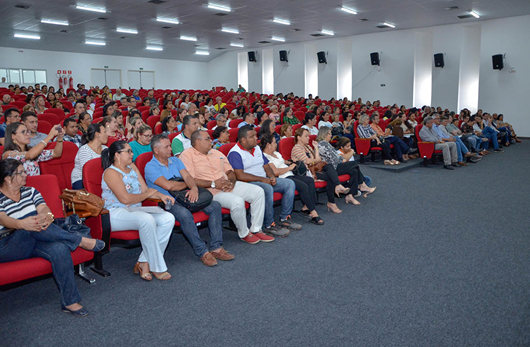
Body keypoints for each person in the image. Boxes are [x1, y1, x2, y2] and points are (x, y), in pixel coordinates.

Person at [0, 158, 105, 317]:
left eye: (24, 171)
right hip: (9, 244)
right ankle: (79, 240)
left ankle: (70, 301)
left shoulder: (31, 191)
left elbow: (44, 209)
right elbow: (4, 220)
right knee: (29, 226)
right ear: (7, 178)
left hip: (36, 237)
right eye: (20, 173)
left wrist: (46, 216)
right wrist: (22, 224)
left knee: (59, 248)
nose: (25, 175)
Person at [145, 135, 234, 266]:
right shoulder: (150, 166)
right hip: (166, 200)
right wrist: (188, 185)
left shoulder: (175, 161)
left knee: (215, 205)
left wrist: (193, 188)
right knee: (184, 214)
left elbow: (188, 176)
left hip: (185, 195)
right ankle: (202, 251)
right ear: (156, 150)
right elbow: (168, 186)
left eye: (170, 145)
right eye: (166, 147)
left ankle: (216, 248)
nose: (170, 149)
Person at [101, 141, 175, 280]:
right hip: (115, 213)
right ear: (117, 155)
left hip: (135, 210)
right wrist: (147, 195)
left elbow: (145, 190)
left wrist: (161, 196)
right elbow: (125, 199)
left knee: (168, 218)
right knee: (146, 219)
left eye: (131, 151)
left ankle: (143, 261)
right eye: (128, 151)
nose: (132, 154)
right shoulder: (110, 172)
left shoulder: (132, 167)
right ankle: (157, 267)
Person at [180, 131, 268, 245]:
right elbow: (190, 179)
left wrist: (231, 182)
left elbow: (230, 171)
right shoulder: (186, 155)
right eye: (208, 139)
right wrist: (213, 184)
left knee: (258, 191)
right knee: (237, 202)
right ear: (198, 141)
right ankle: (244, 233)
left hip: (227, 185)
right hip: (210, 191)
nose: (211, 141)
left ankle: (256, 228)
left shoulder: (216, 153)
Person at [228, 126, 301, 237]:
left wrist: (271, 176)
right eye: (252, 136)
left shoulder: (256, 148)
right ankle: (269, 225)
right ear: (243, 140)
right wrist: (262, 179)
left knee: (289, 184)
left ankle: (285, 218)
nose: (256, 138)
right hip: (249, 184)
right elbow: (240, 175)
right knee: (267, 188)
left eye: (255, 135)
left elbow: (266, 165)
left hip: (264, 180)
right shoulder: (235, 153)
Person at [260, 134, 324, 225]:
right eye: (274, 142)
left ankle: (306, 208)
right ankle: (314, 213)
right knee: (303, 186)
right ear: (268, 145)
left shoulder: (276, 153)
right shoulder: (265, 157)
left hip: (290, 174)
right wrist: (289, 168)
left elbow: (284, 161)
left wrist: (292, 161)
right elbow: (275, 172)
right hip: (283, 178)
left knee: (309, 180)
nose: (276, 144)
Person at [291, 128, 349, 213]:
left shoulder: (307, 147)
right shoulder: (296, 148)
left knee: (329, 168)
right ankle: (332, 201)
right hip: (307, 173)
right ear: (299, 137)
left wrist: (316, 148)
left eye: (308, 136)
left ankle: (335, 193)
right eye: (306, 136)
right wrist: (316, 159)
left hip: (314, 169)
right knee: (330, 175)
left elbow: (316, 159)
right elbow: (308, 161)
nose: (309, 138)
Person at [316, 127, 375, 205]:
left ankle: (350, 195)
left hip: (336, 165)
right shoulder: (322, 144)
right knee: (354, 164)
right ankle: (362, 184)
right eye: (330, 134)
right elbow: (335, 159)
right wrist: (342, 159)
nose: (331, 135)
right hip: (332, 169)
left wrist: (341, 159)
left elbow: (337, 157)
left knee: (354, 171)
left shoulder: (326, 144)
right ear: (325, 134)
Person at [71, 124, 108, 189]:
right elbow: (87, 173)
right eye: (104, 132)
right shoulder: (84, 150)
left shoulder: (105, 149)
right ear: (97, 134)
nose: (107, 135)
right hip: (81, 180)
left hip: (101, 178)